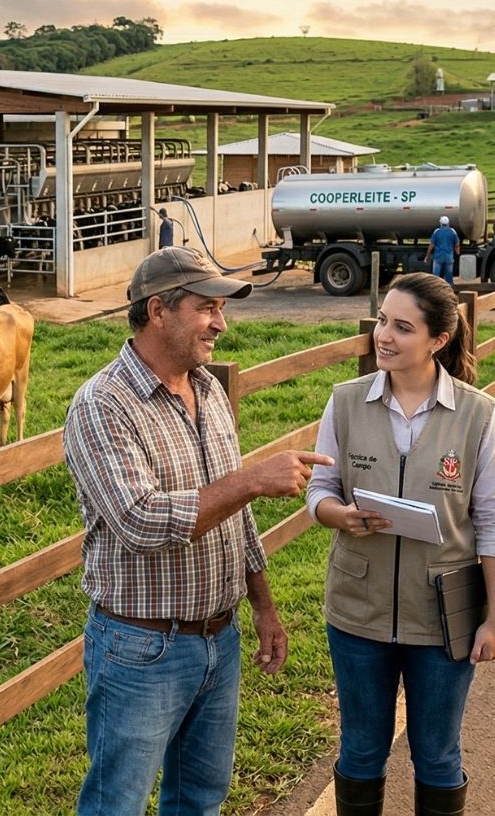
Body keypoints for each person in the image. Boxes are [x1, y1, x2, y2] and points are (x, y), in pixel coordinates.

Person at [65, 245, 334, 816]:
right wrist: (252, 481)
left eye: (221, 308)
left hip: (220, 636)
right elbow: (139, 521)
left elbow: (234, 515)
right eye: (207, 307)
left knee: (200, 801)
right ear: (158, 310)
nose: (220, 323)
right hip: (141, 648)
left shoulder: (208, 389)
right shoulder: (102, 404)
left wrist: (262, 605)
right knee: (117, 804)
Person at [307, 271, 495, 816]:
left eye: (402, 327)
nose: (384, 336)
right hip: (358, 613)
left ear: (438, 341)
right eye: (381, 321)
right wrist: (338, 515)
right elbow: (320, 488)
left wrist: (494, 618)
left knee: (438, 754)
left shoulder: (477, 415)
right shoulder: (345, 402)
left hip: (444, 616)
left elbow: (493, 521)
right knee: (361, 749)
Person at [424, 216, 460, 285]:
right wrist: (457, 252)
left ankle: (436, 291)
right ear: (448, 223)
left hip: (438, 257)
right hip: (448, 257)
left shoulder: (437, 231)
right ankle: (450, 290)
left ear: (440, 223)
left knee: (436, 277)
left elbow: (431, 245)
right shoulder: (452, 231)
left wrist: (427, 256)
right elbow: (457, 243)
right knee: (449, 277)